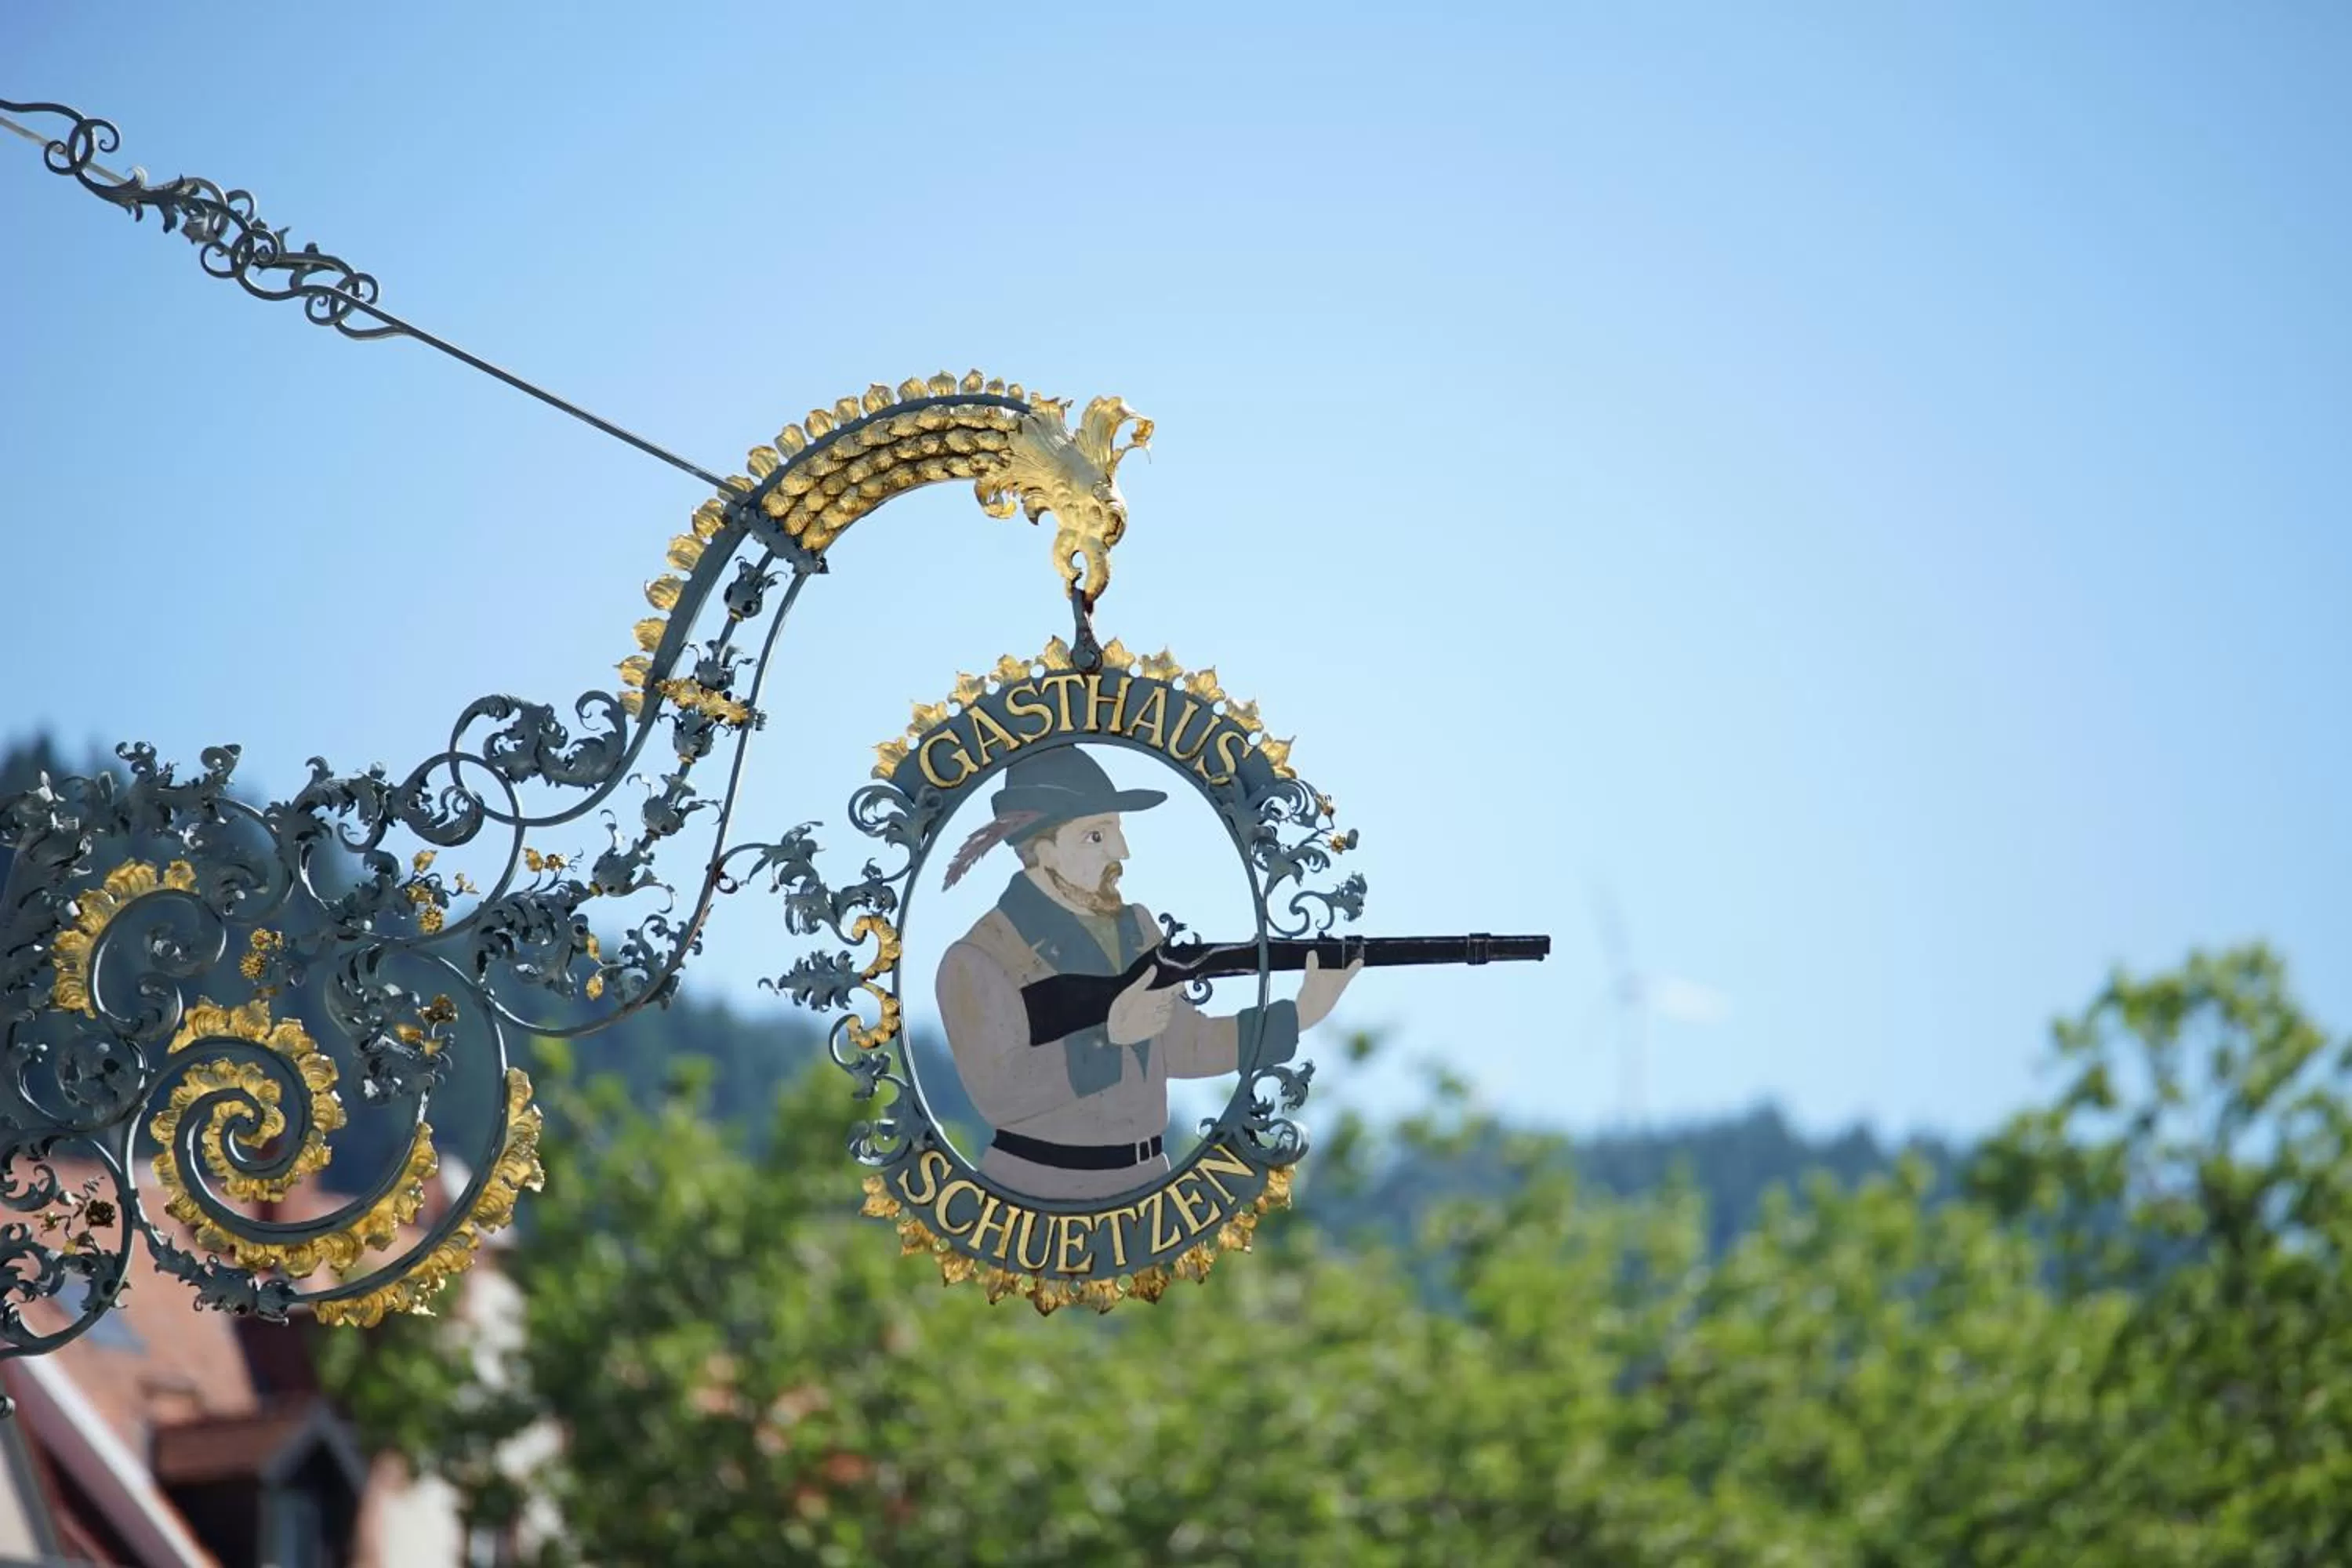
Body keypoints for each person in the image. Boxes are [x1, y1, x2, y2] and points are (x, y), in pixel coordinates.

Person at [934, 747, 1359, 1203]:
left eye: (1116, 830)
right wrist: (1109, 1035)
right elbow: (1001, 1094)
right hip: (1033, 1192)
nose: (1122, 852)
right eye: (1096, 836)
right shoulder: (976, 959)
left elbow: (1185, 1044)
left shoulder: (1134, 927)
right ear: (1043, 851)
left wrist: (1298, 1015)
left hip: (1148, 1187)